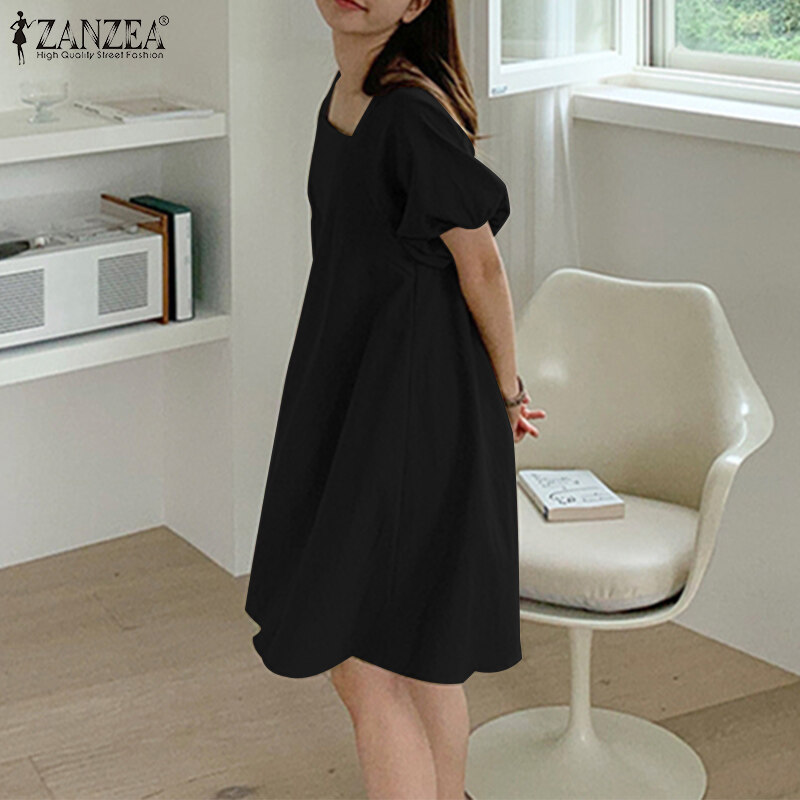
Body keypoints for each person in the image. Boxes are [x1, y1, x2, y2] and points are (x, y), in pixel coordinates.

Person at [244, 0, 546, 797]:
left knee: (362, 660)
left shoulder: (409, 112)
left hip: (410, 405)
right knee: (413, 647)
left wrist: (506, 394)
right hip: (365, 386)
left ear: (416, 4)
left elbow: (482, 267)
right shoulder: (351, 90)